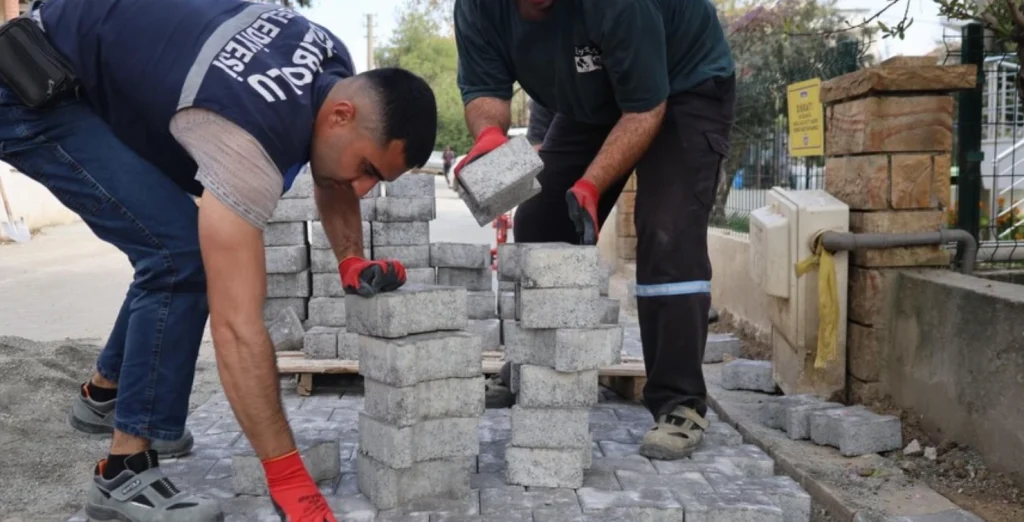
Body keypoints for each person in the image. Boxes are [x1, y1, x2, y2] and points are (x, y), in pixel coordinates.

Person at [0, 0, 436, 520]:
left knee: (172, 238)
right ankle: (122, 474)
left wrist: (350, 259)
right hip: (31, 86)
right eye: (367, 169)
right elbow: (236, 329)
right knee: (180, 257)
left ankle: (106, 392)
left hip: (82, 58)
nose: (361, 189)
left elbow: (332, 173)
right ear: (342, 114)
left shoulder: (329, 61)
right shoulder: (248, 136)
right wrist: (287, 476)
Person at [453, 0, 735, 460]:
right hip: (593, 100)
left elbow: (645, 108)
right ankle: (537, 367)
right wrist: (489, 135)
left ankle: (680, 400)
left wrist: (592, 183)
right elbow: (485, 89)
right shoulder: (478, 8)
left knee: (666, 230)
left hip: (685, 83)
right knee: (541, 220)